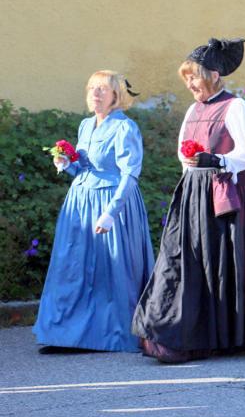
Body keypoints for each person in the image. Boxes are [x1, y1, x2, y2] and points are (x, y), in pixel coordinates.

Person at [133, 38, 245, 363]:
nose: (190, 84)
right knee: (187, 260)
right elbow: (183, 152)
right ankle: (182, 331)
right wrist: (192, 171)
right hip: (194, 192)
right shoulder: (194, 110)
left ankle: (225, 335)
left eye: (194, 77)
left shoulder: (236, 107)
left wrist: (219, 161)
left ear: (214, 75)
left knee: (222, 261)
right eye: (187, 78)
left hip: (225, 193)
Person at [33, 71, 154, 353]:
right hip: (80, 204)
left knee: (110, 270)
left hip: (112, 204)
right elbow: (84, 169)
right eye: (92, 88)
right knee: (73, 267)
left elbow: (129, 174)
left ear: (116, 95)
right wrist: (67, 164)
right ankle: (67, 335)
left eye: (102, 89)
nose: (95, 94)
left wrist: (111, 213)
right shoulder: (86, 125)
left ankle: (112, 335)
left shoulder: (125, 127)